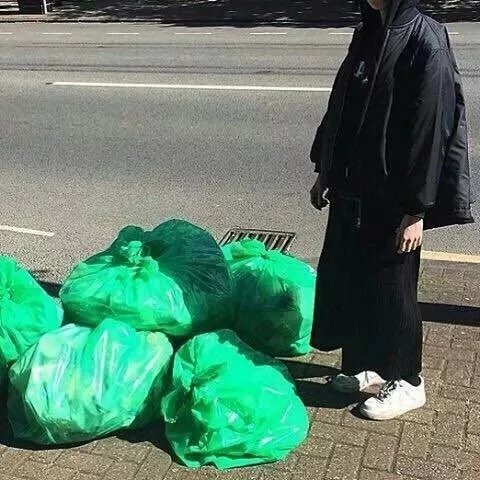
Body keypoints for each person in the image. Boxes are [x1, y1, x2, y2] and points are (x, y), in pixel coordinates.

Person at [309, 0, 474, 421]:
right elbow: (341, 104)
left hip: (393, 194)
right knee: (354, 278)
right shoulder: (369, 28)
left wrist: (415, 209)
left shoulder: (425, 38)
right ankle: (365, 368)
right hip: (353, 186)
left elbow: (430, 128)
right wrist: (324, 169)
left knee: (394, 287)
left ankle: (408, 380)